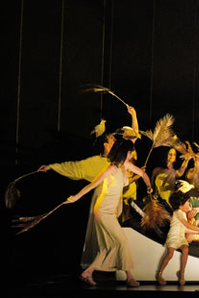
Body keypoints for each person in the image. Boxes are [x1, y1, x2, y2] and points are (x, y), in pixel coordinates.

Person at [38, 106, 139, 268]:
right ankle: (115, 272)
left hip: (116, 205)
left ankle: (105, 271)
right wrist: (52, 167)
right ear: (106, 145)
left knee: (115, 242)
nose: (116, 142)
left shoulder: (119, 159)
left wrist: (134, 116)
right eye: (112, 140)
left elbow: (133, 137)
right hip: (103, 206)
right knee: (109, 242)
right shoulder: (97, 163)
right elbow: (74, 168)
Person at [65, 139, 154, 287]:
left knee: (109, 246)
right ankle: (130, 277)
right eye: (130, 152)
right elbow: (92, 184)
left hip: (111, 211)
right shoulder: (111, 168)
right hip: (102, 211)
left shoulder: (126, 165)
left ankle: (88, 272)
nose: (131, 154)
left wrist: (149, 186)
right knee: (122, 242)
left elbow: (143, 174)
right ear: (124, 152)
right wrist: (76, 197)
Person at [156, 190, 199, 286]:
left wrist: (198, 232)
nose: (189, 205)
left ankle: (182, 273)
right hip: (174, 237)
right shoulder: (178, 212)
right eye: (188, 203)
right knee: (170, 254)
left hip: (180, 237)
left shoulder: (183, 214)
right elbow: (187, 225)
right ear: (180, 204)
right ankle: (160, 273)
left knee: (185, 249)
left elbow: (185, 230)